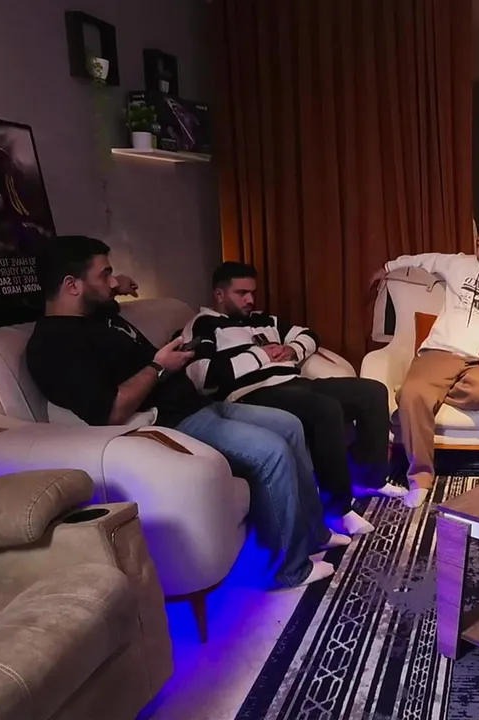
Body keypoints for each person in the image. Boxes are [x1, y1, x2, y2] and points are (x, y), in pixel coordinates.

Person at [25, 235, 339, 590]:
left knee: (290, 425)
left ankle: (314, 532)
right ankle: (288, 569)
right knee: (271, 452)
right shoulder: (54, 345)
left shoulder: (96, 314)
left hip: (199, 404)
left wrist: (119, 286)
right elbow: (110, 411)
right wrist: (159, 366)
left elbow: (110, 299)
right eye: (105, 274)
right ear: (72, 285)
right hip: (173, 422)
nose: (113, 283)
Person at [181, 262, 402, 537]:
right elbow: (203, 376)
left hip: (295, 383)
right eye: (241, 293)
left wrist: (291, 349)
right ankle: (337, 509)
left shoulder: (265, 320)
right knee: (325, 410)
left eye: (252, 292)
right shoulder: (204, 324)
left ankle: (370, 479)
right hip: (253, 394)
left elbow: (309, 335)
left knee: (372, 391)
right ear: (219, 294)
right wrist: (260, 355)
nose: (250, 300)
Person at [368, 221, 479, 508]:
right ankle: (420, 479)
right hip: (440, 353)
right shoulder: (459, 265)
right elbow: (424, 260)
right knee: (415, 394)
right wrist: (388, 266)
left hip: (478, 362)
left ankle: (417, 397)